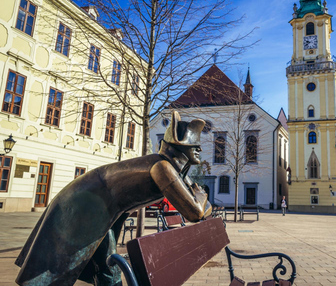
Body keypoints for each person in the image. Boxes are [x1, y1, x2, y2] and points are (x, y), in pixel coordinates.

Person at [15, 111, 211, 286]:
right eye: (194, 145)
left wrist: (200, 200)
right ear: (179, 146)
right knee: (59, 266)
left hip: (105, 208)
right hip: (87, 203)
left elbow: (202, 210)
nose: (199, 149)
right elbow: (195, 213)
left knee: (107, 268)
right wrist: (200, 196)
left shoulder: (173, 170)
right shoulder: (162, 168)